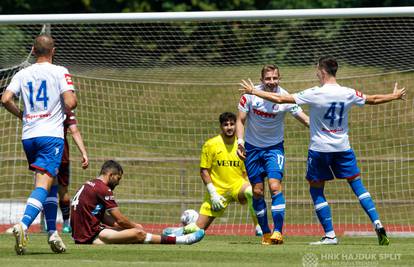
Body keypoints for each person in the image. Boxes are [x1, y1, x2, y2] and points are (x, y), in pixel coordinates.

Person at [239, 56, 406, 245]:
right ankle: (377, 222)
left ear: (323, 71)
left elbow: (280, 98)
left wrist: (253, 91)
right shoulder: (348, 92)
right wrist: (393, 96)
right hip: (343, 147)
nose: (316, 73)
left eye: (317, 70)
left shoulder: (314, 93)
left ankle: (330, 235)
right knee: (357, 185)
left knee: (316, 190)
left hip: (319, 149)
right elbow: (373, 99)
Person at [1, 34, 77, 255]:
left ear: (33, 51)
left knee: (50, 183)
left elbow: (5, 99)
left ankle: (52, 232)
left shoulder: (22, 73)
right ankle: (23, 225)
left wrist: (22, 115)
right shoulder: (60, 71)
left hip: (29, 136)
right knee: (43, 186)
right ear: (53, 51)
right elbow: (70, 102)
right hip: (50, 136)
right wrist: (68, 103)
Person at [236, 65, 309, 245]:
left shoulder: (285, 97)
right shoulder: (249, 96)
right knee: (257, 191)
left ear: (279, 78)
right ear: (262, 80)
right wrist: (240, 142)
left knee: (275, 186)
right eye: (268, 79)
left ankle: (278, 231)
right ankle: (266, 233)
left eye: (275, 78)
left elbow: (304, 118)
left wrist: (323, 128)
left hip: (274, 149)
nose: (272, 82)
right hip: (252, 149)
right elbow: (240, 120)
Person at [163, 112, 262, 237]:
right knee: (198, 229)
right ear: (221, 126)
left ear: (236, 126)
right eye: (226, 125)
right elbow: (204, 171)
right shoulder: (211, 144)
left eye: (232, 124)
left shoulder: (242, 145)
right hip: (218, 191)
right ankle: (178, 231)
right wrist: (213, 194)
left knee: (251, 191)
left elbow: (245, 172)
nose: (229, 127)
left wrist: (249, 192)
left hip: (237, 186)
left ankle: (259, 228)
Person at [70, 160, 205, 245]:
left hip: (81, 236)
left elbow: (103, 217)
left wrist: (125, 226)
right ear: (110, 175)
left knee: (131, 236)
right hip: (90, 236)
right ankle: (181, 240)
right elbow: (121, 220)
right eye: (118, 178)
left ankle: (171, 234)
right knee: (137, 234)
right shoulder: (103, 189)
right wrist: (135, 226)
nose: (118, 182)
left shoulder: (90, 184)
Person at [58, 109, 89, 233]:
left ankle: (47, 224)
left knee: (44, 188)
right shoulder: (65, 109)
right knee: (62, 190)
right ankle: (66, 223)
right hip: (60, 152)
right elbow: (74, 130)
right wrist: (84, 153)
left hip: (43, 151)